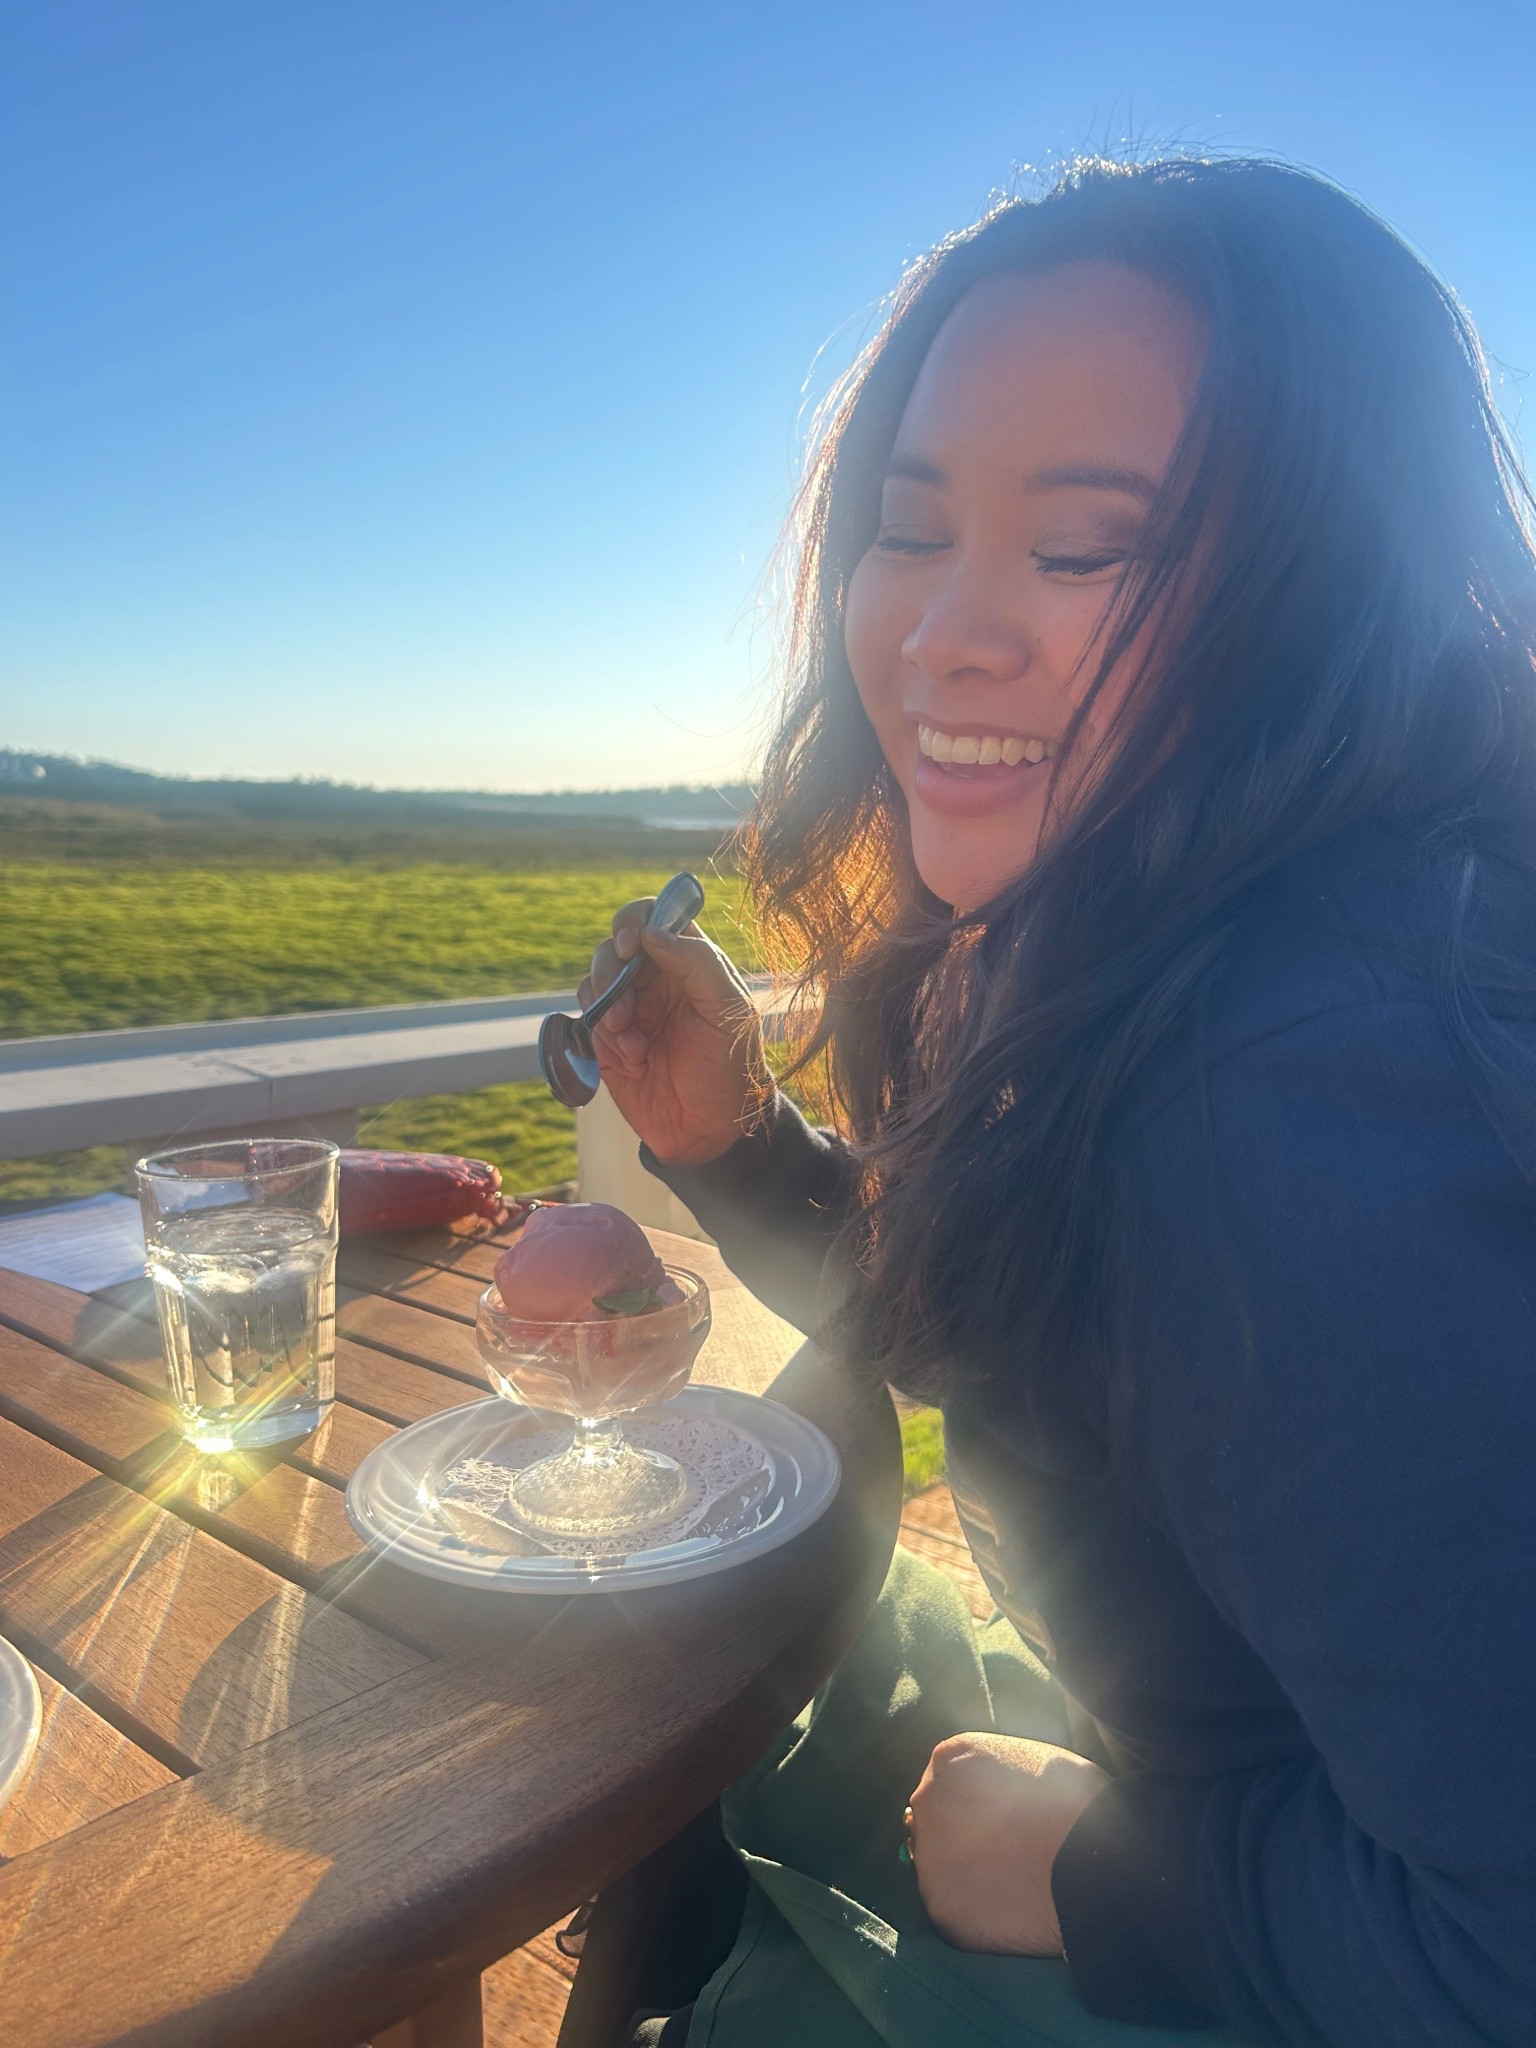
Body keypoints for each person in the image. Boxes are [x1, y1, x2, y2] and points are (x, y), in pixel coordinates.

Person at [573, 157, 1536, 2047]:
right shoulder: (1153, 940)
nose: (941, 634)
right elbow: (1066, 1340)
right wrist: (732, 1143)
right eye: (909, 529)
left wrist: (1097, 1867)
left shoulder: (1289, 1085)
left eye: (1083, 545)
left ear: (1333, 583)